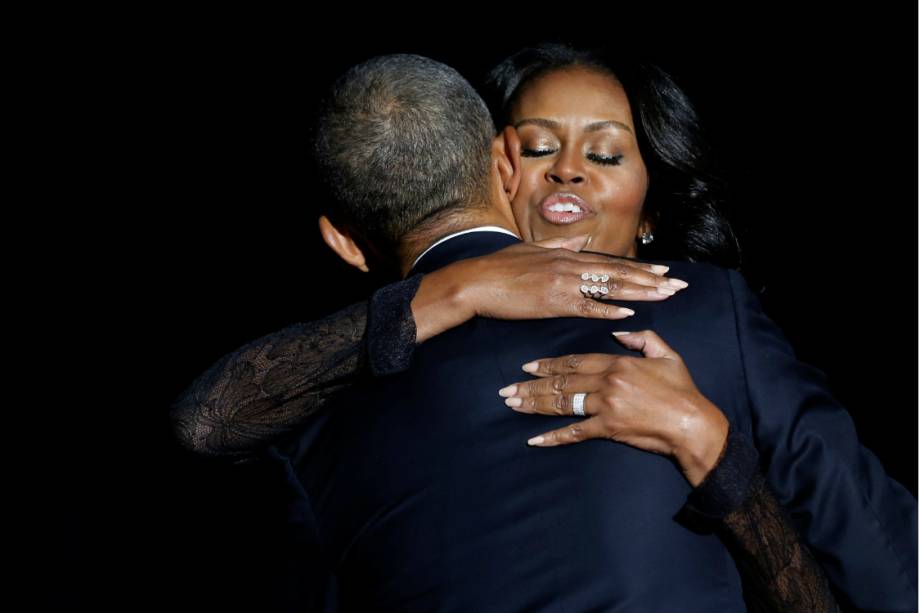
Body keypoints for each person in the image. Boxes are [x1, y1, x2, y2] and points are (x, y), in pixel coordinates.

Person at [172, 51, 848, 611]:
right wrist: (713, 449)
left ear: (342, 243)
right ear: (506, 163)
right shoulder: (700, 308)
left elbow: (205, 424)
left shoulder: (306, 413)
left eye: (606, 152)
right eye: (543, 146)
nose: (567, 169)